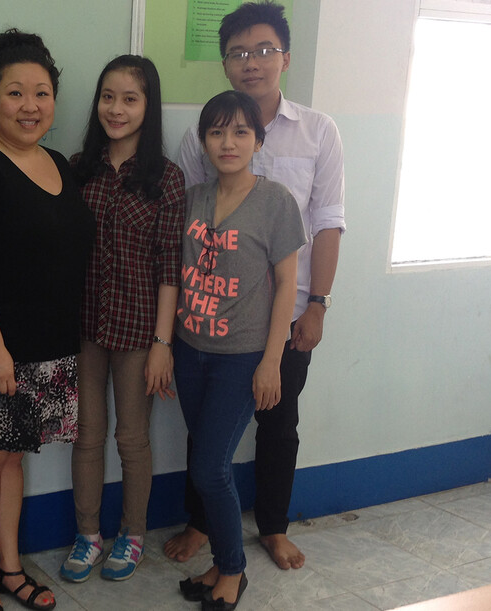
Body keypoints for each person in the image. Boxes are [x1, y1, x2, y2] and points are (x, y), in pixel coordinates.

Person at [165, 0, 346, 571]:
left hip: (287, 313)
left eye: (264, 50)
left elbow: (328, 221)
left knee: (280, 421)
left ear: (285, 58)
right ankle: (201, 521)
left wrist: (317, 304)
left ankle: (271, 526)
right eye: (239, 53)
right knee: (206, 428)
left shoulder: (318, 131)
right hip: (213, 317)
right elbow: (188, 223)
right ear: (225, 64)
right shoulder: (203, 135)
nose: (252, 62)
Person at [0, 28, 95, 611]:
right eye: (14, 93)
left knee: (11, 459)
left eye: (41, 93)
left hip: (49, 349)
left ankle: (9, 566)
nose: (30, 106)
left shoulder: (59, 163)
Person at [174, 90, 304, 610]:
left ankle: (233, 569)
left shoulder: (275, 202)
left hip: (242, 356)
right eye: (216, 132)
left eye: (240, 132)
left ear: (258, 140)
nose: (228, 143)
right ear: (204, 140)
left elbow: (286, 288)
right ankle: (220, 560)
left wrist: (271, 361)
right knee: (208, 462)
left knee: (209, 467)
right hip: (190, 350)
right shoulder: (194, 198)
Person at [59, 55, 185, 584]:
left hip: (138, 334)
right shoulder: (77, 168)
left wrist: (163, 341)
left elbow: (168, 267)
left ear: (148, 106)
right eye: (108, 96)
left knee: (132, 439)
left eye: (130, 99)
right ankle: (87, 535)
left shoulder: (166, 178)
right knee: (86, 435)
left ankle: (132, 534)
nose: (116, 108)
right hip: (84, 328)